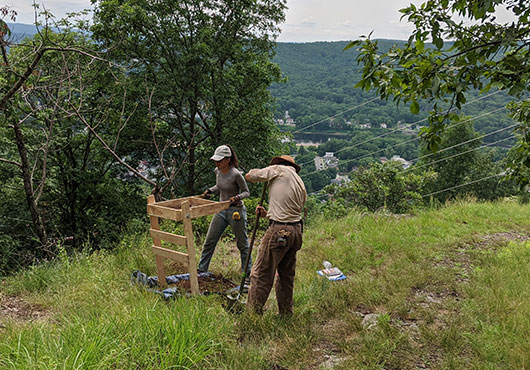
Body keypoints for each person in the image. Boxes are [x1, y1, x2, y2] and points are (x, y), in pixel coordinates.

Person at [244, 155, 306, 315]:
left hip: (279, 231)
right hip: (295, 231)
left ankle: (252, 315)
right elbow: (289, 212)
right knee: (286, 275)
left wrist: (261, 171)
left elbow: (251, 176)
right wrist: (267, 214)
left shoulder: (279, 170)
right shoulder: (299, 182)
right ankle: (286, 313)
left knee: (261, 273)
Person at [198, 145, 251, 277]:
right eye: (216, 160)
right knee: (210, 240)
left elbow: (246, 192)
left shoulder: (236, 174)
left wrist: (236, 198)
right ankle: (202, 269)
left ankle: (247, 273)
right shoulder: (217, 171)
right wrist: (210, 190)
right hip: (221, 209)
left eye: (220, 160)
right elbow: (219, 186)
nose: (217, 163)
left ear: (228, 160)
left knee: (242, 243)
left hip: (235, 211)